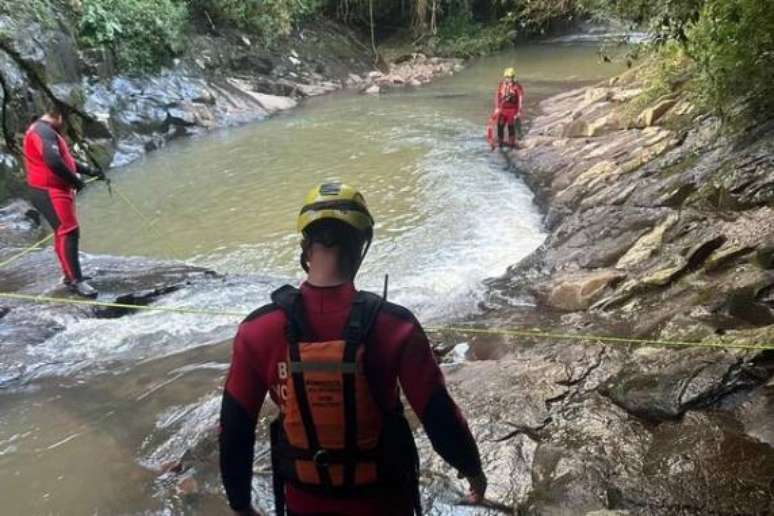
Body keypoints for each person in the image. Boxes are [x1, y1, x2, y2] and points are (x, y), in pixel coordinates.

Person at [220, 183, 486, 516]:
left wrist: (241, 504)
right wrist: (473, 470)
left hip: (303, 502)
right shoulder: (396, 325)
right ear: (361, 246)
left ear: (305, 247)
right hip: (385, 502)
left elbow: (234, 426)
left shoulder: (257, 329)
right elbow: (438, 415)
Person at [23, 105, 105, 298]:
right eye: (65, 121)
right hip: (49, 191)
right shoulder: (43, 131)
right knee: (69, 232)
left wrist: (90, 171)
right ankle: (76, 281)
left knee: (63, 231)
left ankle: (71, 276)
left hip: (52, 189)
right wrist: (76, 182)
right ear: (58, 116)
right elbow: (53, 162)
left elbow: (65, 160)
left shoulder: (44, 130)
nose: (66, 126)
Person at [494, 67, 524, 148]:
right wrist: (496, 108)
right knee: (500, 125)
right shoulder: (501, 85)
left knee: (511, 126)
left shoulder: (517, 86)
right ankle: (500, 142)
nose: (508, 79)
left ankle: (511, 143)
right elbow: (497, 96)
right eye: (507, 77)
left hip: (512, 110)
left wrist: (519, 111)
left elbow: (520, 98)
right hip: (502, 109)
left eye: (510, 77)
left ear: (513, 77)